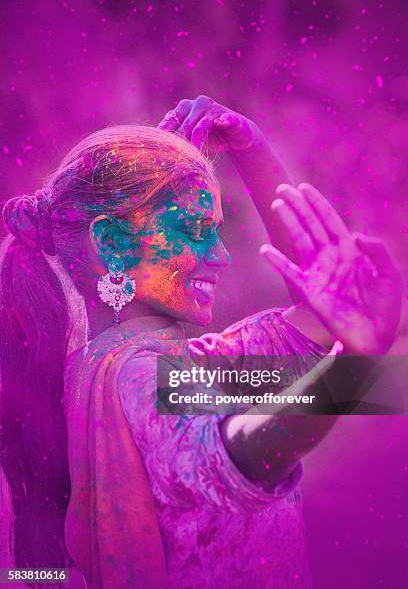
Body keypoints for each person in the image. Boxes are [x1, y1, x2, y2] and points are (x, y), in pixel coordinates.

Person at [0, 95, 401, 589]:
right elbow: (240, 453)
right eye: (194, 231)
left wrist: (248, 148)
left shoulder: (129, 368)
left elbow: (323, 309)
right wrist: (354, 369)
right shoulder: (139, 378)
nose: (222, 256)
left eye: (215, 230)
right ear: (110, 243)